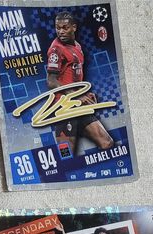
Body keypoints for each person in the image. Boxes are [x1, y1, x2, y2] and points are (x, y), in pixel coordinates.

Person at [46, 11, 114, 155]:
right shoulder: (56, 49)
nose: (61, 32)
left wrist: (84, 94)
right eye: (58, 28)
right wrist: (75, 96)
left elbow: (73, 77)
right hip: (64, 107)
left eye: (65, 28)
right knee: (66, 156)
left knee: (107, 142)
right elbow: (51, 81)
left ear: (74, 27)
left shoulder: (77, 46)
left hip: (79, 105)